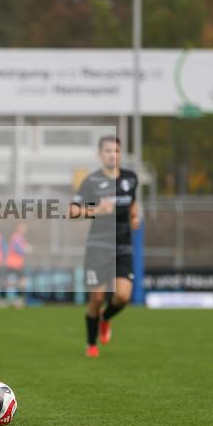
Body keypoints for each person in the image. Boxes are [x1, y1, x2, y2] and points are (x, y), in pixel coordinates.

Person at [69, 135, 140, 357]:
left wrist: (135, 216)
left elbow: (133, 201)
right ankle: (91, 344)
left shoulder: (131, 178)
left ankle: (105, 319)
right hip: (98, 246)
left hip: (123, 245)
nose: (112, 154)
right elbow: (72, 211)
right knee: (97, 298)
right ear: (100, 154)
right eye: (108, 151)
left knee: (122, 297)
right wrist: (97, 210)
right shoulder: (91, 181)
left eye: (116, 151)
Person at [5, 223, 32, 305]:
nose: (24, 230)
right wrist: (25, 249)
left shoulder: (19, 237)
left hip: (17, 263)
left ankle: (16, 300)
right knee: (16, 282)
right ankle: (15, 300)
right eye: (22, 228)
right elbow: (16, 248)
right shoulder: (17, 237)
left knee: (17, 282)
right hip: (14, 264)